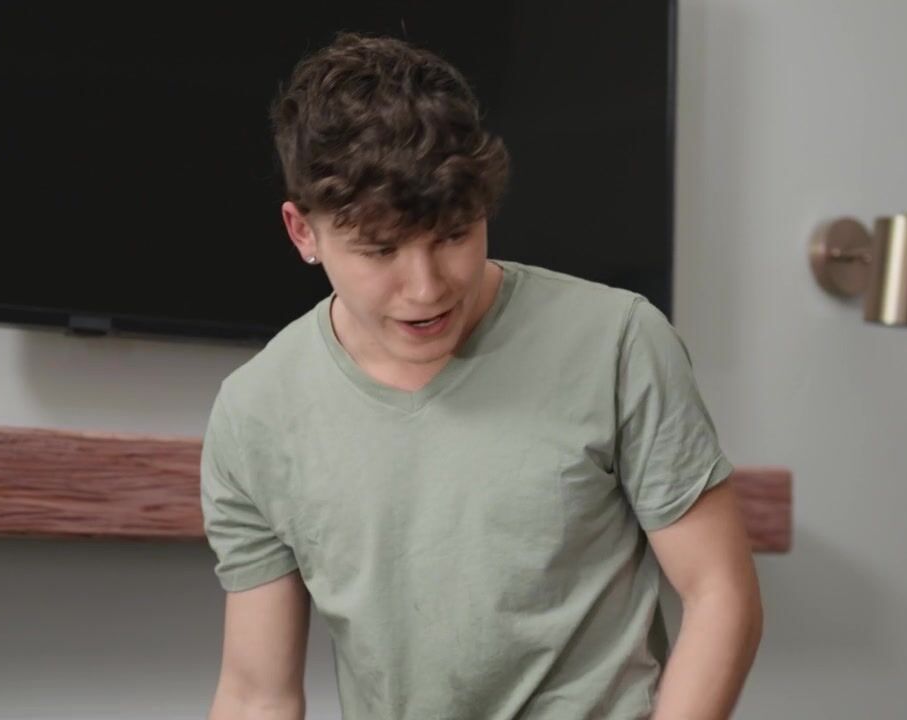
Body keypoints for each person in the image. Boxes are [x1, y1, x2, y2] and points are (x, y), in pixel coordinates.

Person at [200, 31, 762, 720]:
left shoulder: (618, 342)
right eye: (380, 250)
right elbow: (256, 695)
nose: (426, 288)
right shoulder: (255, 412)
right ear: (302, 232)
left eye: (453, 235)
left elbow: (720, 594)